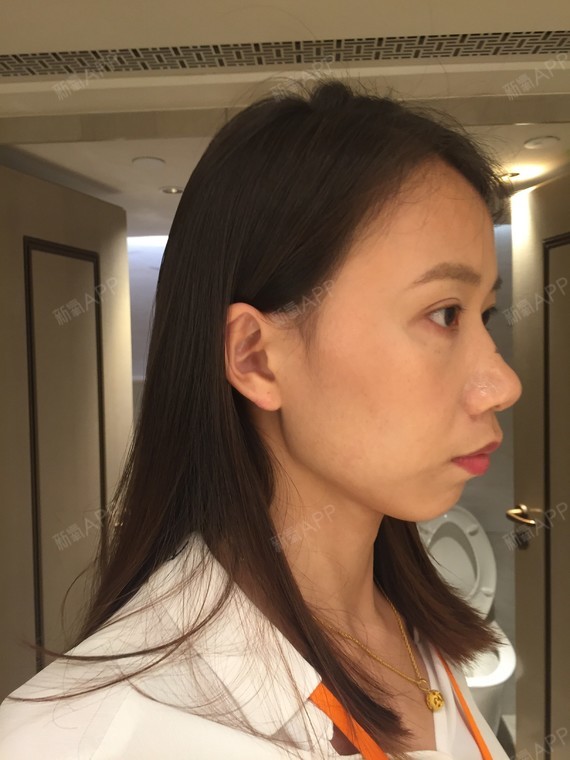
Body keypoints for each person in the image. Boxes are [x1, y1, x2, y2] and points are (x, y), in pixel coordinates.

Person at [0, 76, 522, 759]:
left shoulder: (414, 632)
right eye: (444, 313)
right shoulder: (84, 737)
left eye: (483, 315)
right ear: (255, 357)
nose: (502, 384)